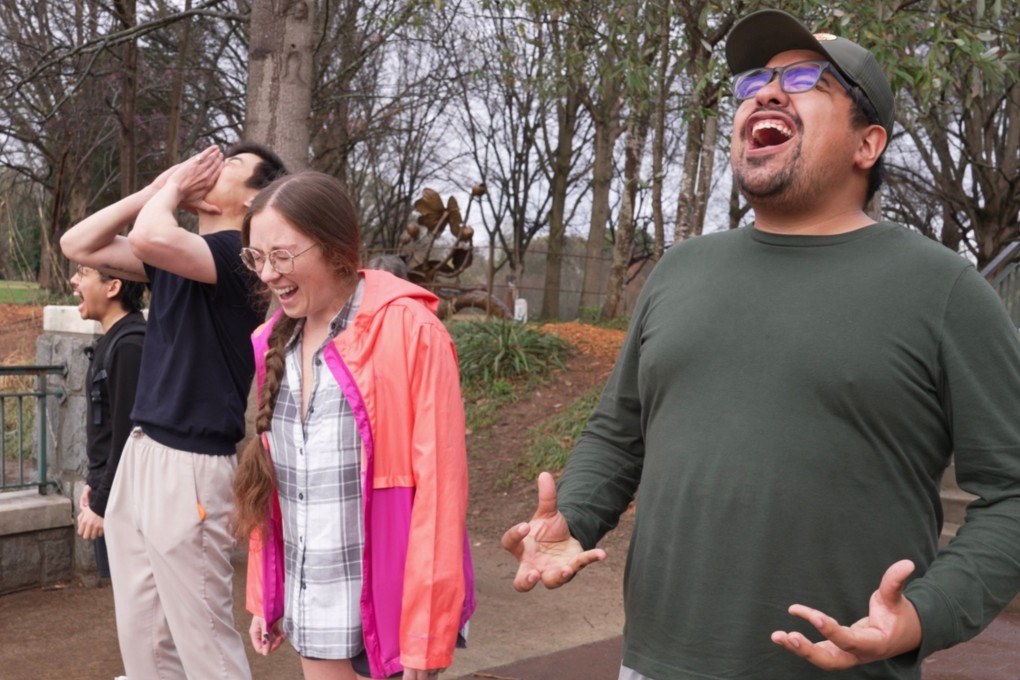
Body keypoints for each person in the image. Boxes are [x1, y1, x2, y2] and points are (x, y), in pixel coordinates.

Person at [501, 9, 1020, 680]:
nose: (767, 93)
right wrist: (573, 519)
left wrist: (923, 615)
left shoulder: (942, 289)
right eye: (755, 83)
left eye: (807, 79)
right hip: (654, 665)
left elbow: (1011, 492)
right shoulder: (680, 272)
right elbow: (617, 434)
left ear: (868, 144)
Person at [232, 171, 475, 680]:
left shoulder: (412, 332)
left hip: (390, 609)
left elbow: (440, 494)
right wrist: (266, 594)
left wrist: (425, 638)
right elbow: (274, 486)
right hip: (312, 602)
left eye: (283, 255)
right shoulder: (270, 342)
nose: (268, 274)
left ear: (336, 247)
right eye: (257, 258)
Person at [59, 142, 288, 679]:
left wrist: (171, 192)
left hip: (191, 465)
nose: (208, 166)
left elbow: (148, 235)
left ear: (253, 200)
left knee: (204, 643)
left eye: (228, 165)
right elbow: (78, 243)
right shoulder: (172, 256)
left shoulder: (242, 260)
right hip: (144, 454)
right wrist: (154, 190)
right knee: (144, 640)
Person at [70, 264, 146, 581]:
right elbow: (106, 428)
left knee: (143, 613)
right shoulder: (113, 341)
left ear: (112, 287)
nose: (73, 280)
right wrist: (94, 481)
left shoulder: (130, 346)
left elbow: (129, 436)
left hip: (127, 502)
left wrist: (102, 504)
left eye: (83, 272)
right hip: (111, 493)